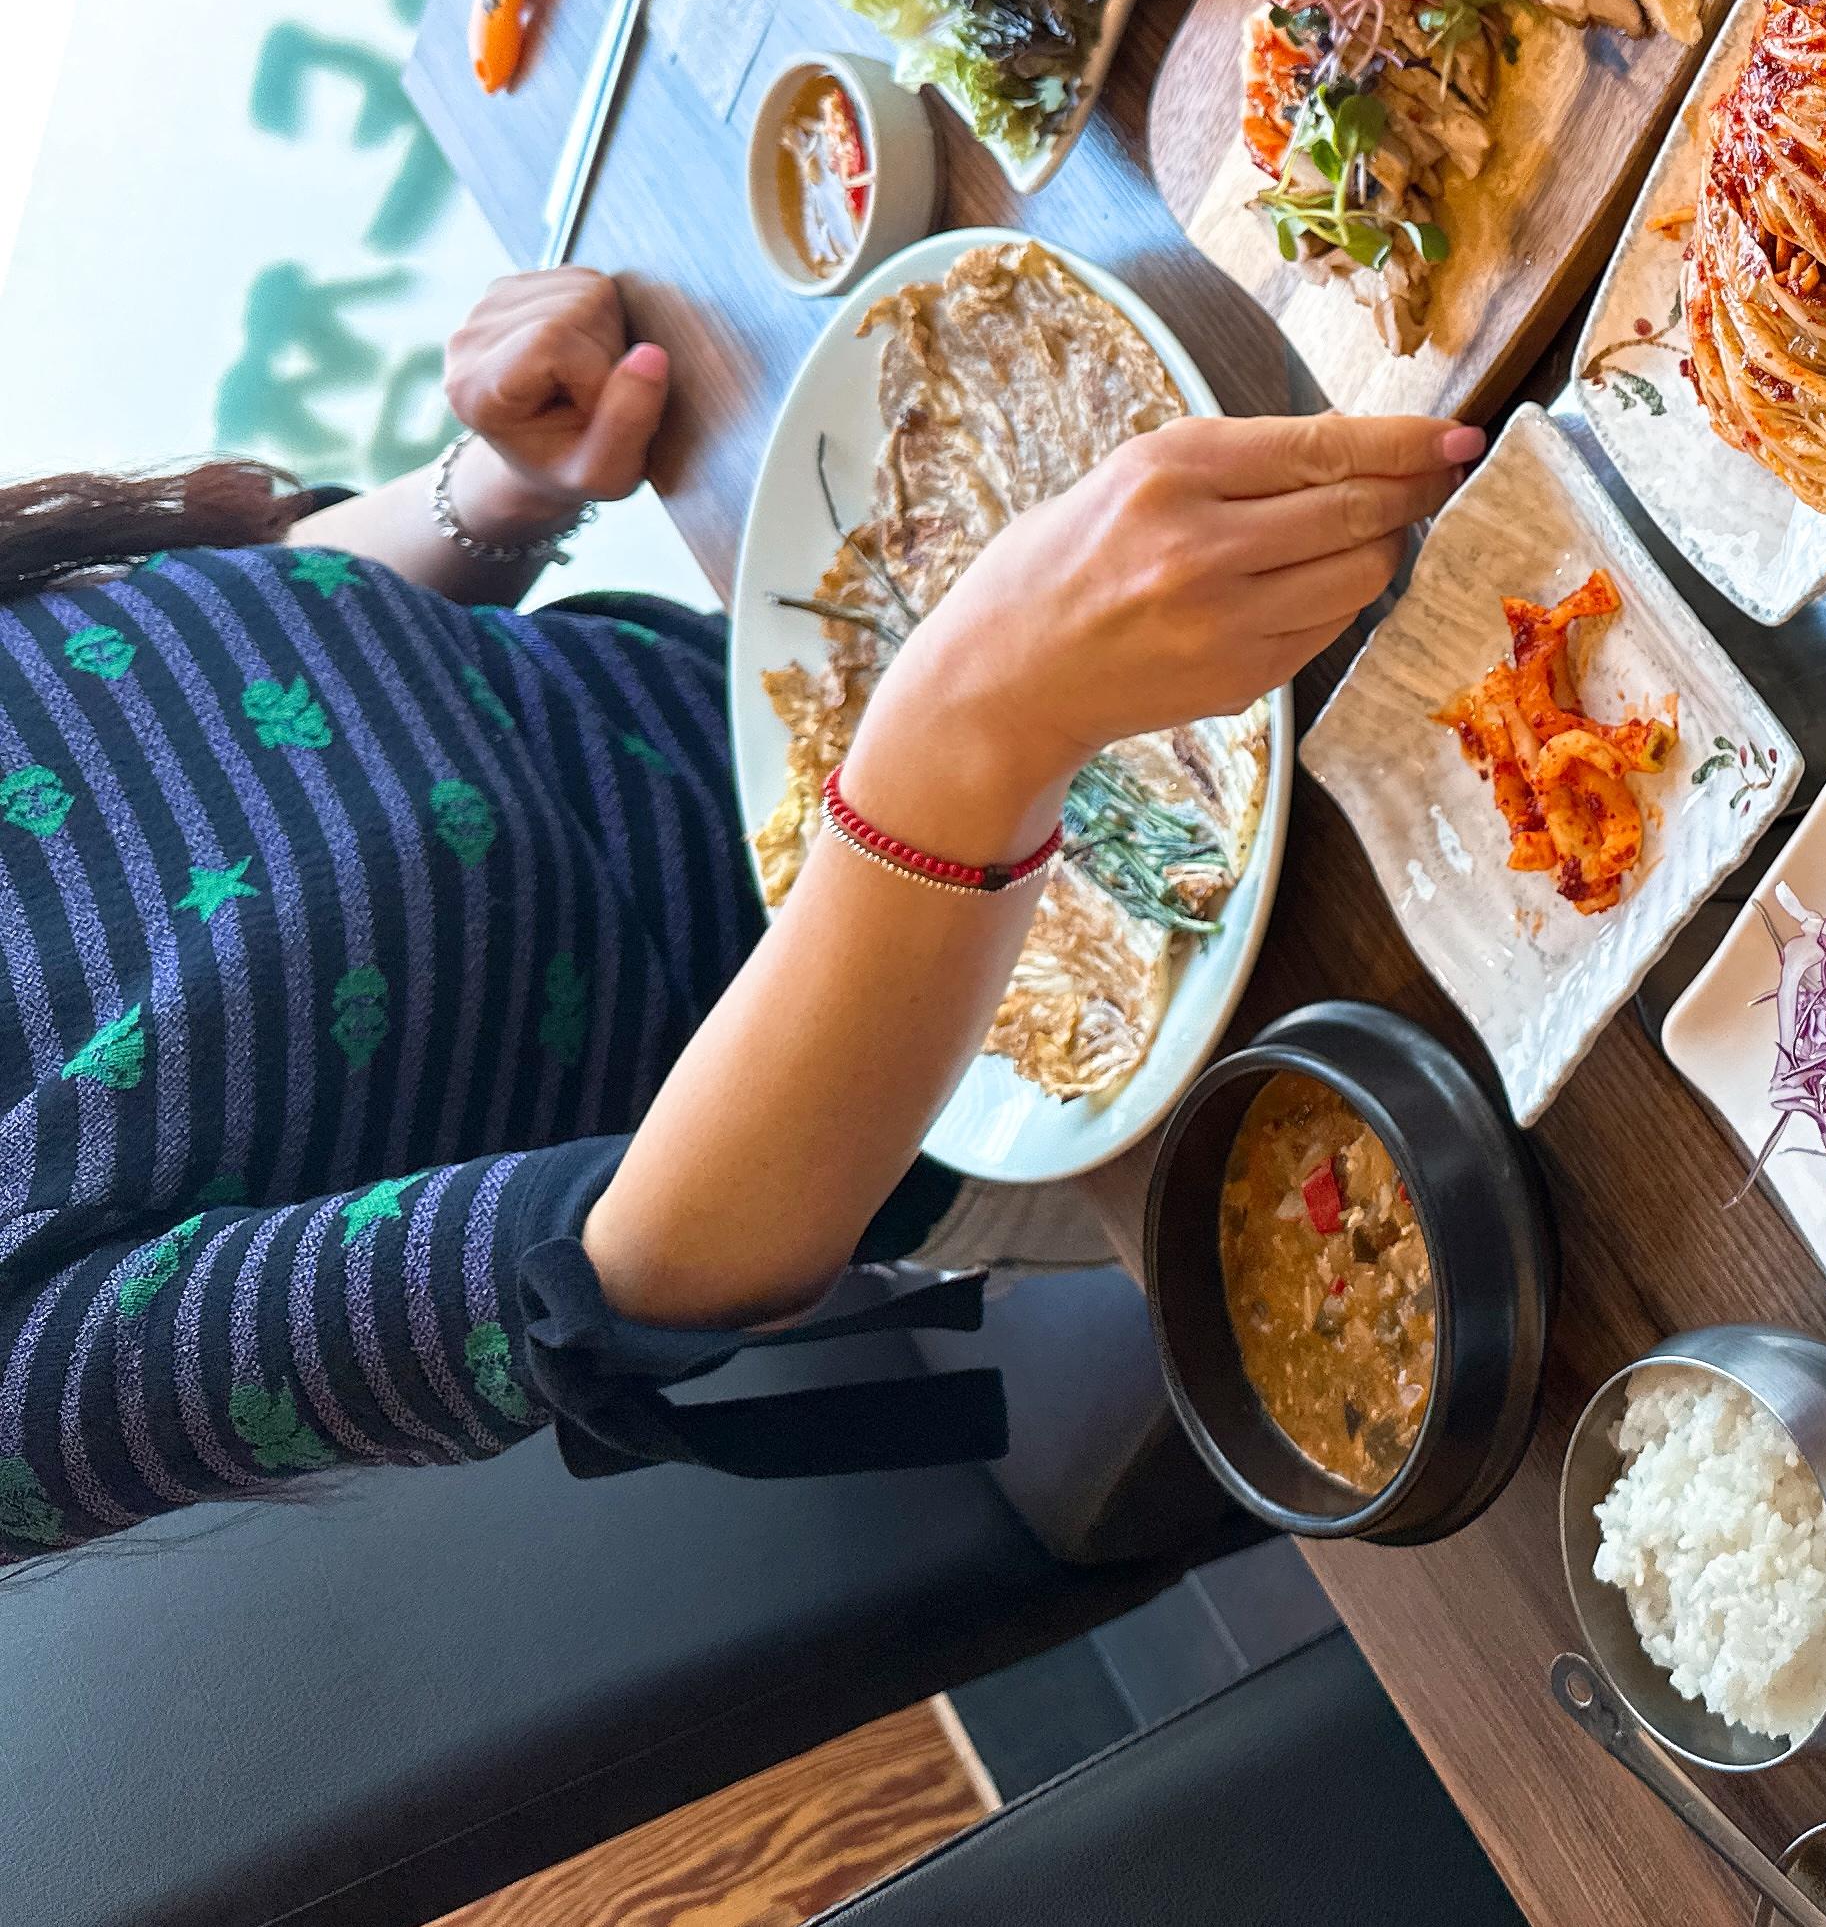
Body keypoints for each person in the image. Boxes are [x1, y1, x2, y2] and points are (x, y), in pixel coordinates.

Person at [0, 267, 1469, 1555]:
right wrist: (966, 731)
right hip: (996, 1062)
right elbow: (630, 1278)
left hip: (844, 684)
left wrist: (497, 489)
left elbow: (219, 663)